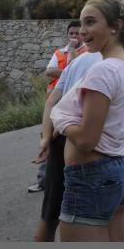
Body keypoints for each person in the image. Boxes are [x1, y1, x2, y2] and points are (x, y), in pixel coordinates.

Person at [50, 0, 124, 241]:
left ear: (116, 25)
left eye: (90, 22)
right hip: (119, 170)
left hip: (91, 178)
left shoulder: (103, 70)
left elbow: (86, 141)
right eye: (81, 24)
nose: (82, 31)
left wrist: (60, 120)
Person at [33, 49, 102, 241]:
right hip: (92, 144)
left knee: (50, 213)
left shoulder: (77, 62)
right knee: (89, 220)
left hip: (61, 140)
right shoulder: (114, 63)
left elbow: (51, 103)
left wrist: (47, 137)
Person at [29, 20, 85, 193]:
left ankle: (66, 181)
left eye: (77, 33)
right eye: (71, 34)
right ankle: (43, 181)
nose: (74, 37)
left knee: (67, 143)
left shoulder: (86, 54)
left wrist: (72, 64)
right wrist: (69, 71)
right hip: (54, 105)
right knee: (48, 141)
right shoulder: (60, 53)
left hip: (73, 108)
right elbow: (49, 70)